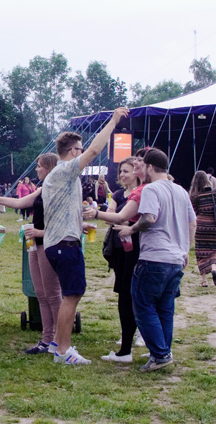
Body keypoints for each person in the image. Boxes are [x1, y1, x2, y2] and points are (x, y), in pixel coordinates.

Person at [44, 106, 128, 365]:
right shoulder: (65, 170)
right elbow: (94, 150)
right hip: (64, 245)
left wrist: (78, 224)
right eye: (79, 150)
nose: (83, 154)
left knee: (71, 293)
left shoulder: (60, 176)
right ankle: (63, 352)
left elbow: (57, 211)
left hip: (60, 242)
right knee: (72, 295)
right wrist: (113, 121)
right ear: (73, 152)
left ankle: (57, 343)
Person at [119, 149, 195, 371]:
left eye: (143, 165)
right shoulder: (180, 190)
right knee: (165, 308)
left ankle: (160, 355)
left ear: (150, 167)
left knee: (143, 306)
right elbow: (192, 222)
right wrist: (186, 250)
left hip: (154, 257)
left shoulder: (151, 189)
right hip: (175, 259)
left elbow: (149, 218)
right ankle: (162, 351)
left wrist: (131, 229)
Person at [0, 154, 61, 354]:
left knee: (53, 295)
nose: (37, 170)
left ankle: (59, 340)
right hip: (34, 245)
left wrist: (40, 232)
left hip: (49, 245)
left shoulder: (59, 190)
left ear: (50, 168)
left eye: (40, 166)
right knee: (40, 294)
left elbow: (64, 225)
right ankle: (46, 340)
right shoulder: (42, 189)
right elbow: (20, 203)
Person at [83, 155, 146, 362]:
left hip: (137, 248)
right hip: (120, 248)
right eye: (121, 171)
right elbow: (112, 216)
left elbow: (121, 217)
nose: (122, 175)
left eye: (126, 171)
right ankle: (128, 334)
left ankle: (139, 334)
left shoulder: (142, 193)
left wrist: (123, 220)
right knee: (124, 293)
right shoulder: (118, 194)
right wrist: (116, 218)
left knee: (135, 294)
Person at [189, 169, 216, 288]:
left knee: (201, 252)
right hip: (214, 226)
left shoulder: (195, 196)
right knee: (213, 250)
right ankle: (213, 268)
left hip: (201, 226)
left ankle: (204, 280)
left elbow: (193, 212)